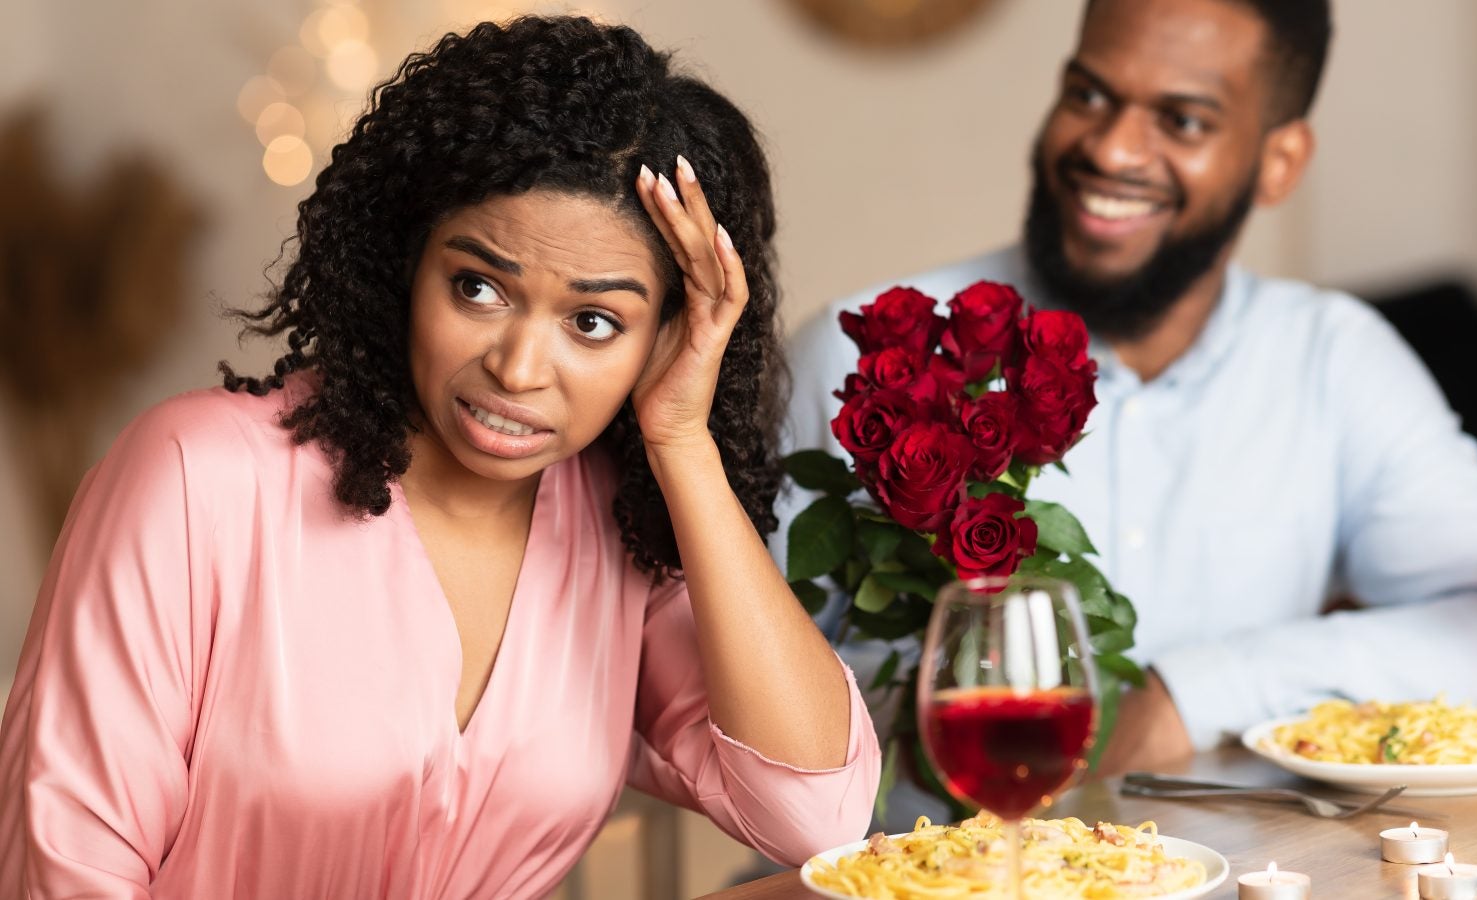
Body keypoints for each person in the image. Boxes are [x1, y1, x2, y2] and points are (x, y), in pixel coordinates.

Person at [0, 16, 878, 897]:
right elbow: (67, 870)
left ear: (667, 336)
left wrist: (683, 442)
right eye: (479, 287)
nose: (519, 369)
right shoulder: (197, 478)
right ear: (404, 258)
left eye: (593, 322)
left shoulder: (615, 530)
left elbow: (817, 821)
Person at [781, 0, 1477, 791]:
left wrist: (1194, 692)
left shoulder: (1334, 359)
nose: (1111, 148)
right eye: (1089, 94)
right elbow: (711, 699)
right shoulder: (864, 359)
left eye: (1185, 121)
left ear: (1279, 163)